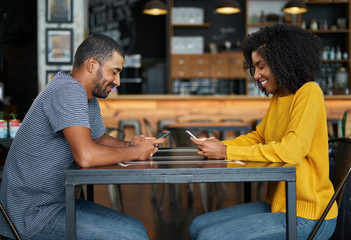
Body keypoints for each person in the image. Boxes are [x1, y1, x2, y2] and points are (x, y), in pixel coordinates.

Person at [0, 34, 164, 240]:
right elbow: (86, 156)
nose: (118, 81)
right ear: (92, 64)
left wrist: (131, 143)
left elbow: (99, 139)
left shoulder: (85, 95)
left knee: (136, 228)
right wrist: (136, 153)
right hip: (32, 214)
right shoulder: (67, 91)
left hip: (57, 202)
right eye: (114, 72)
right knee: (133, 235)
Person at [189, 24, 338, 240]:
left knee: (209, 237)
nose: (256, 75)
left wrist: (226, 153)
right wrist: (220, 145)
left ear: (282, 62)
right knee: (197, 225)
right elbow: (259, 137)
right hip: (280, 204)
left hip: (309, 215)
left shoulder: (309, 92)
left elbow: (291, 151)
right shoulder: (280, 96)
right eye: (254, 68)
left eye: (261, 66)